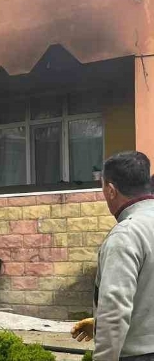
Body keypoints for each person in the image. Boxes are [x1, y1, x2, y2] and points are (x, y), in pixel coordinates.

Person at [71, 151, 154, 361]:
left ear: (110, 190)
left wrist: (105, 332)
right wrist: (98, 324)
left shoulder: (126, 235)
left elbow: (114, 311)